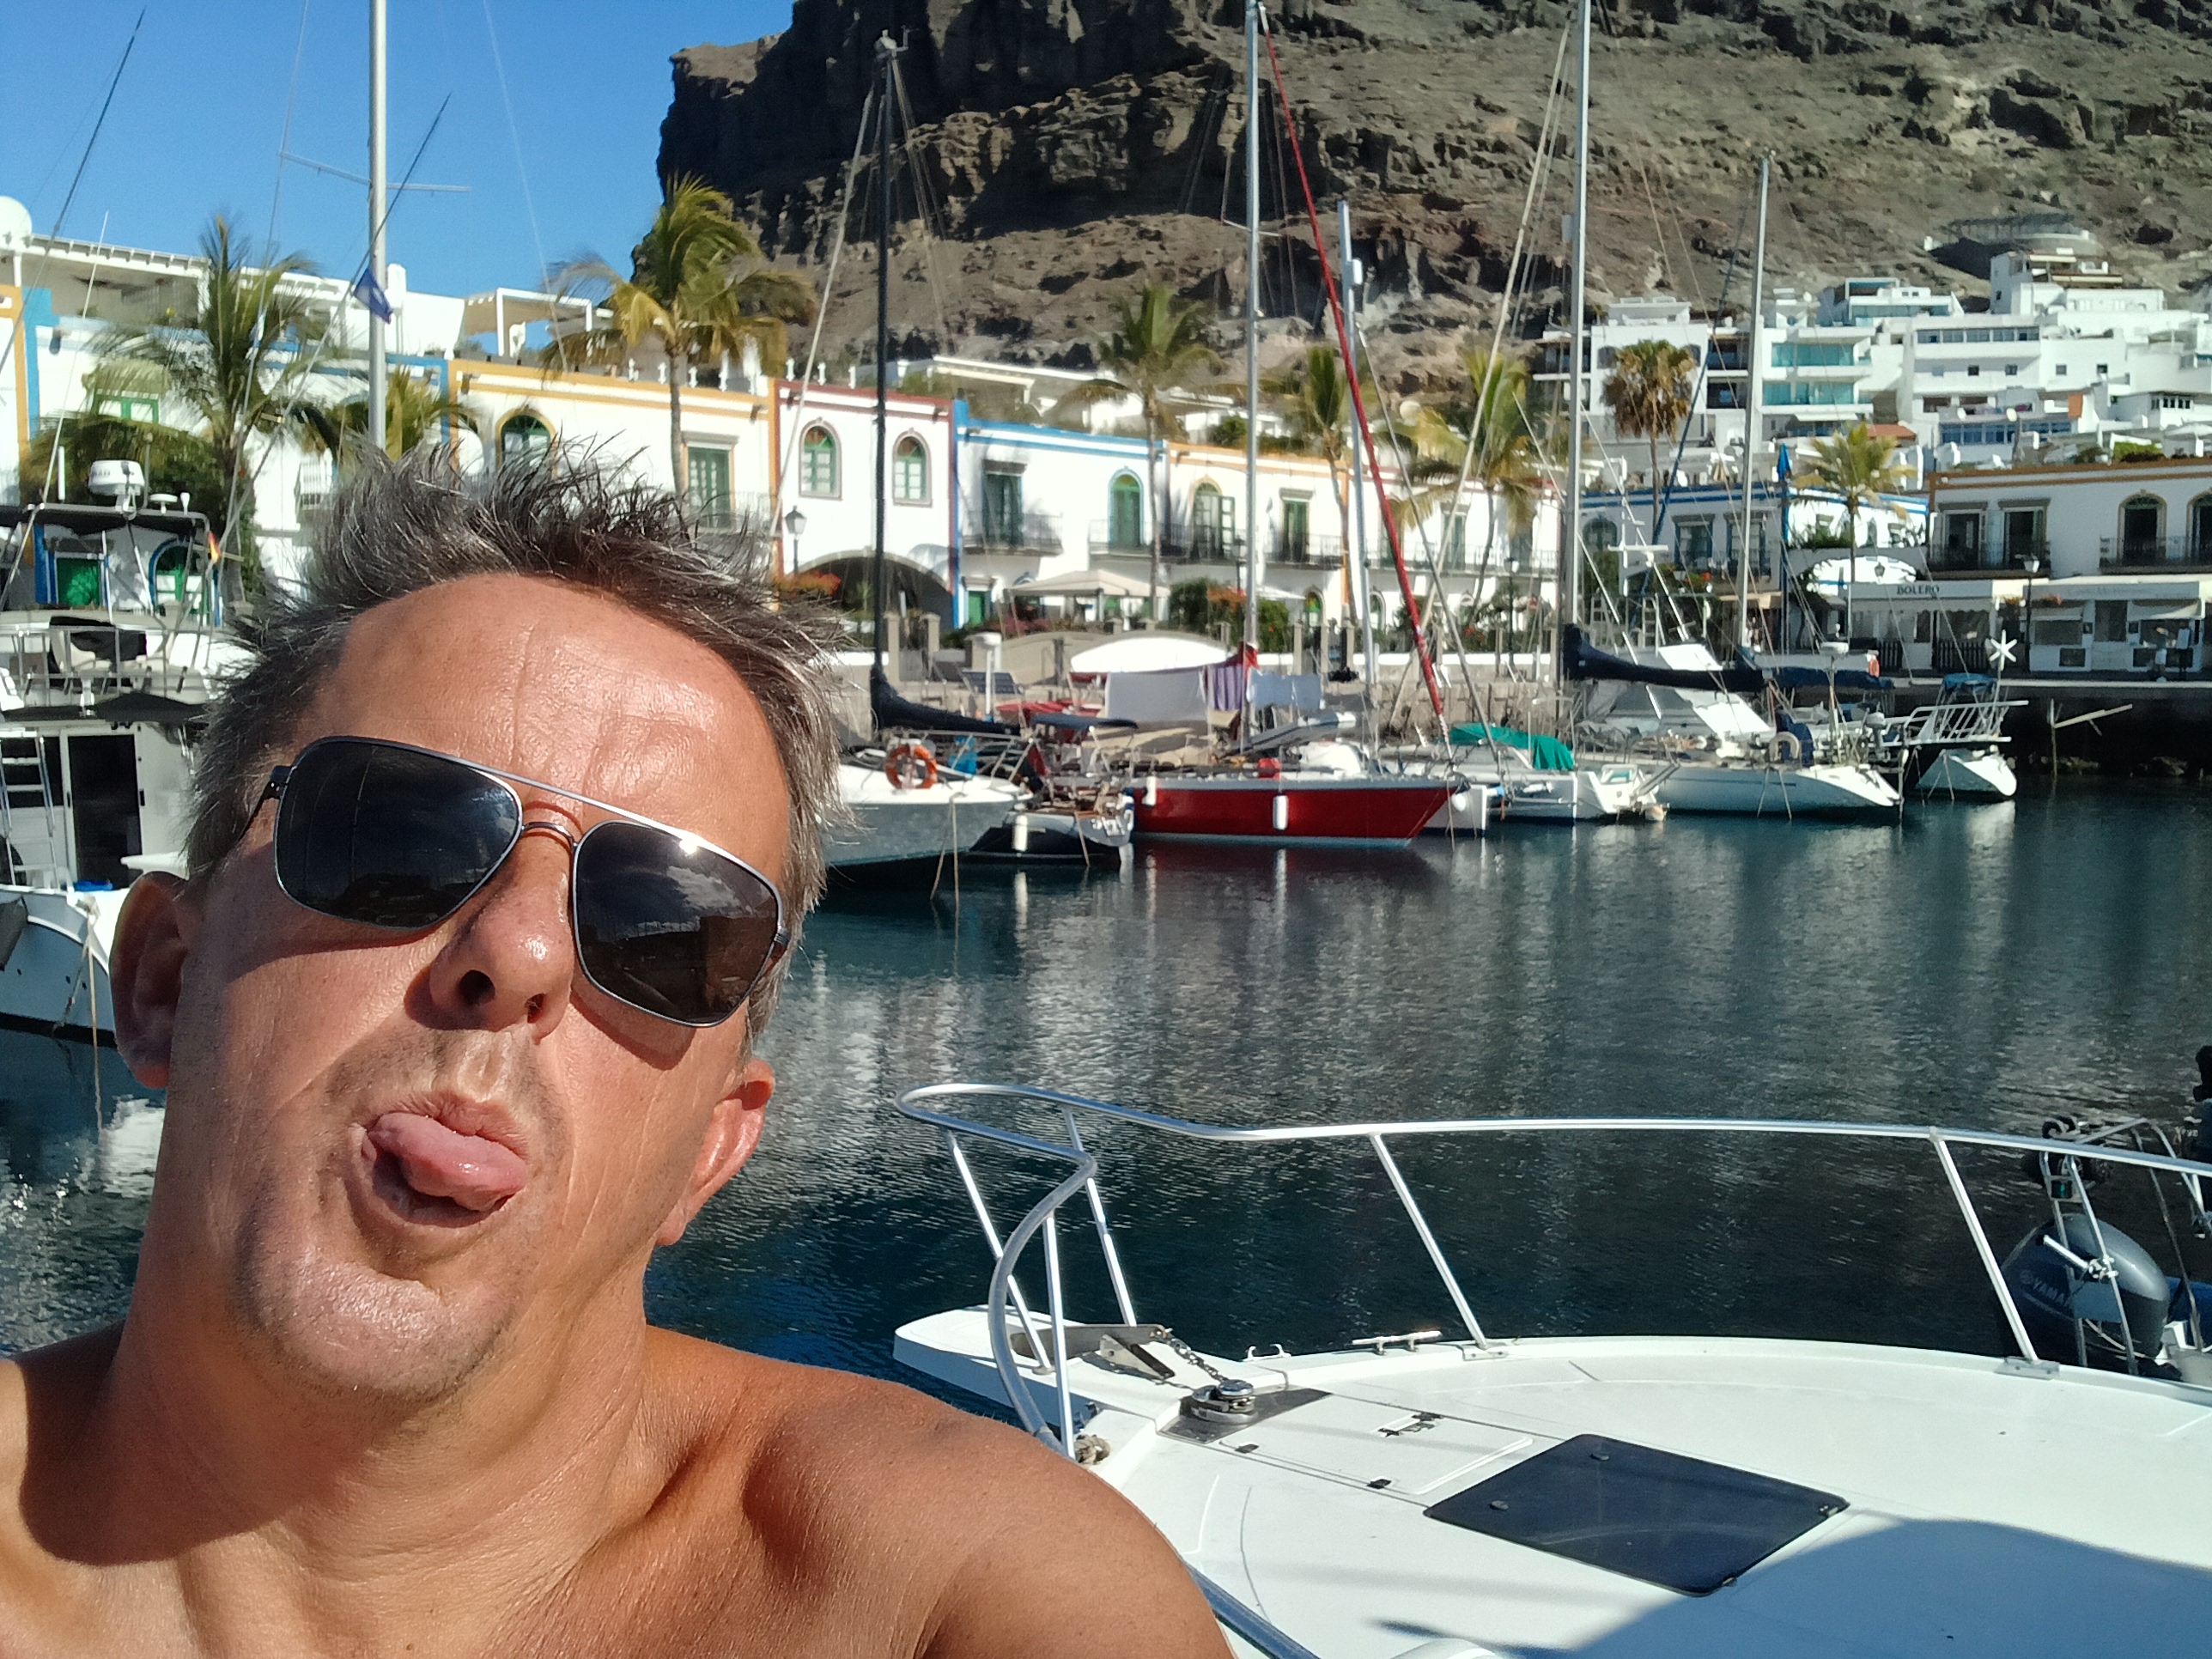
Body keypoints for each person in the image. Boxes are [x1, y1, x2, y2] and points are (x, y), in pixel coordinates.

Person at [0, 455, 1227, 1656]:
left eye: (662, 926)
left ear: (713, 1150)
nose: (521, 951)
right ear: (161, 983)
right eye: (397, 834)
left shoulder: (949, 1589)